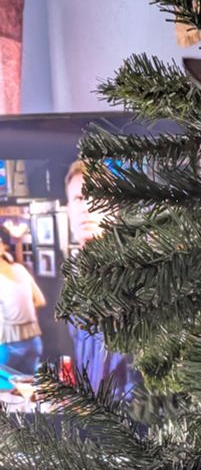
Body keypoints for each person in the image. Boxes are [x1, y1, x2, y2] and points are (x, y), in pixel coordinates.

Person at [65, 160, 137, 399]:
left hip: (131, 417)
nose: (86, 207)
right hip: (93, 413)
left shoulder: (137, 269)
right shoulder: (76, 273)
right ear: (68, 209)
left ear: (113, 207)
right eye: (78, 199)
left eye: (95, 196)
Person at [0, 227, 45, 390]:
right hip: (32, 339)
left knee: (6, 397)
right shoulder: (20, 269)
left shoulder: (19, 269)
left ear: (4, 245)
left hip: (6, 343)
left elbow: (39, 300)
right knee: (27, 394)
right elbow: (39, 301)